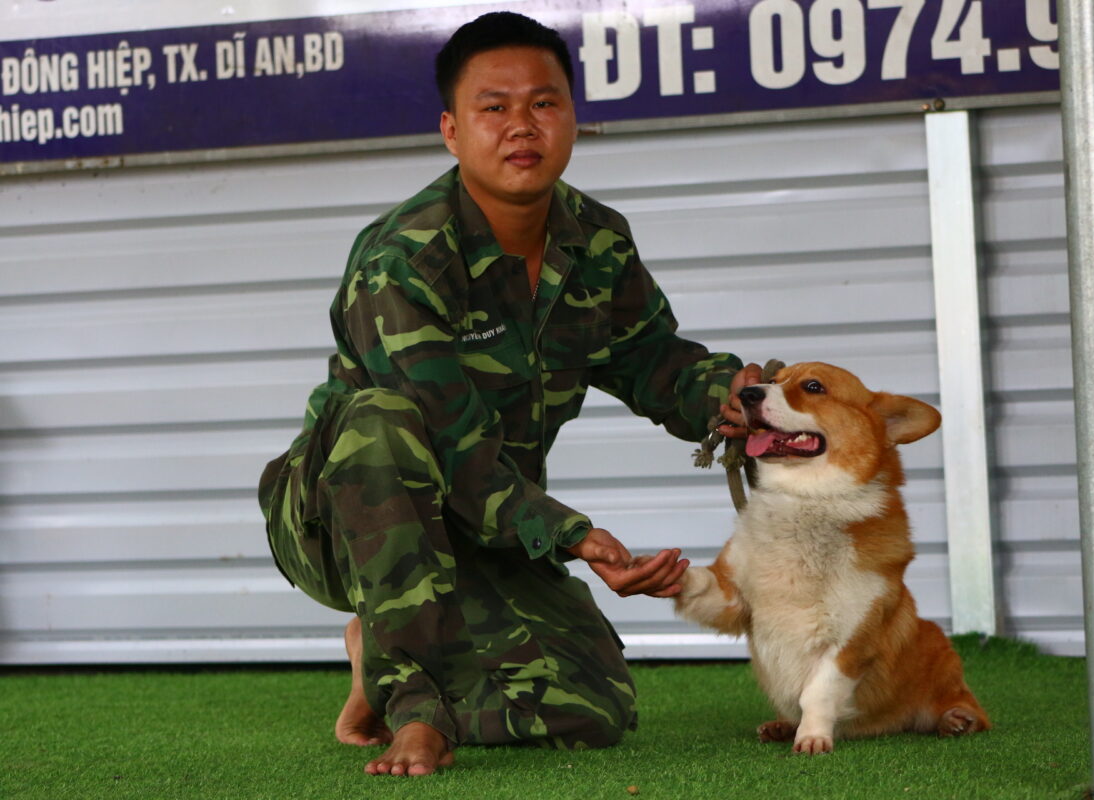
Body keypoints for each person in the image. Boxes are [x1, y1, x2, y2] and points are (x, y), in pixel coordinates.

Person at [257, 11, 761, 777]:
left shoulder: (597, 240)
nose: (522, 126)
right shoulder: (403, 260)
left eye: (544, 103)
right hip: (349, 516)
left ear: (571, 118)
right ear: (453, 131)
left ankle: (382, 651)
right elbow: (450, 441)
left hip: (489, 522)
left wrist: (728, 393)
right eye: (494, 108)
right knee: (385, 421)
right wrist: (576, 537)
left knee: (590, 713)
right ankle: (414, 707)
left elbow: (650, 359)